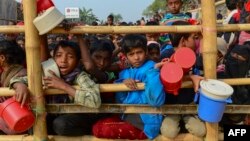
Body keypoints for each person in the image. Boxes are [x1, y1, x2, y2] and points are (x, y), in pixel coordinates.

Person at [9, 40, 101, 136]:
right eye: (59, 55)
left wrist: (64, 86)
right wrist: (19, 85)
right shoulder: (48, 72)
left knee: (61, 124)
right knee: (36, 122)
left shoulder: (80, 76)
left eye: (70, 57)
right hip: (54, 114)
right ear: (53, 58)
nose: (63, 60)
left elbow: (95, 100)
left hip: (76, 117)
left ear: (78, 61)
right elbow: (18, 80)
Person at [92, 34, 166, 140]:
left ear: (145, 51)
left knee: (100, 128)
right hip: (129, 116)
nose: (136, 57)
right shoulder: (125, 73)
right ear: (126, 56)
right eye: (131, 54)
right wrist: (123, 83)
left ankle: (142, 135)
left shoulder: (152, 68)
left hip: (146, 122)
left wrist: (154, 72)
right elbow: (120, 101)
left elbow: (157, 101)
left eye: (139, 52)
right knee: (98, 125)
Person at [160, 20, 206, 139]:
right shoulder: (166, 55)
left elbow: (205, 61)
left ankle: (184, 125)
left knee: (200, 131)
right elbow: (168, 75)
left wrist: (202, 37)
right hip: (171, 107)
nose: (196, 41)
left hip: (188, 106)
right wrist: (190, 77)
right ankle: (179, 125)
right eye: (193, 38)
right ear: (183, 41)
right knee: (169, 132)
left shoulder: (193, 55)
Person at [0, 40, 27, 134]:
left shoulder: (20, 72)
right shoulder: (4, 72)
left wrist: (19, 85)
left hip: (17, 119)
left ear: (2, 58)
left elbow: (19, 80)